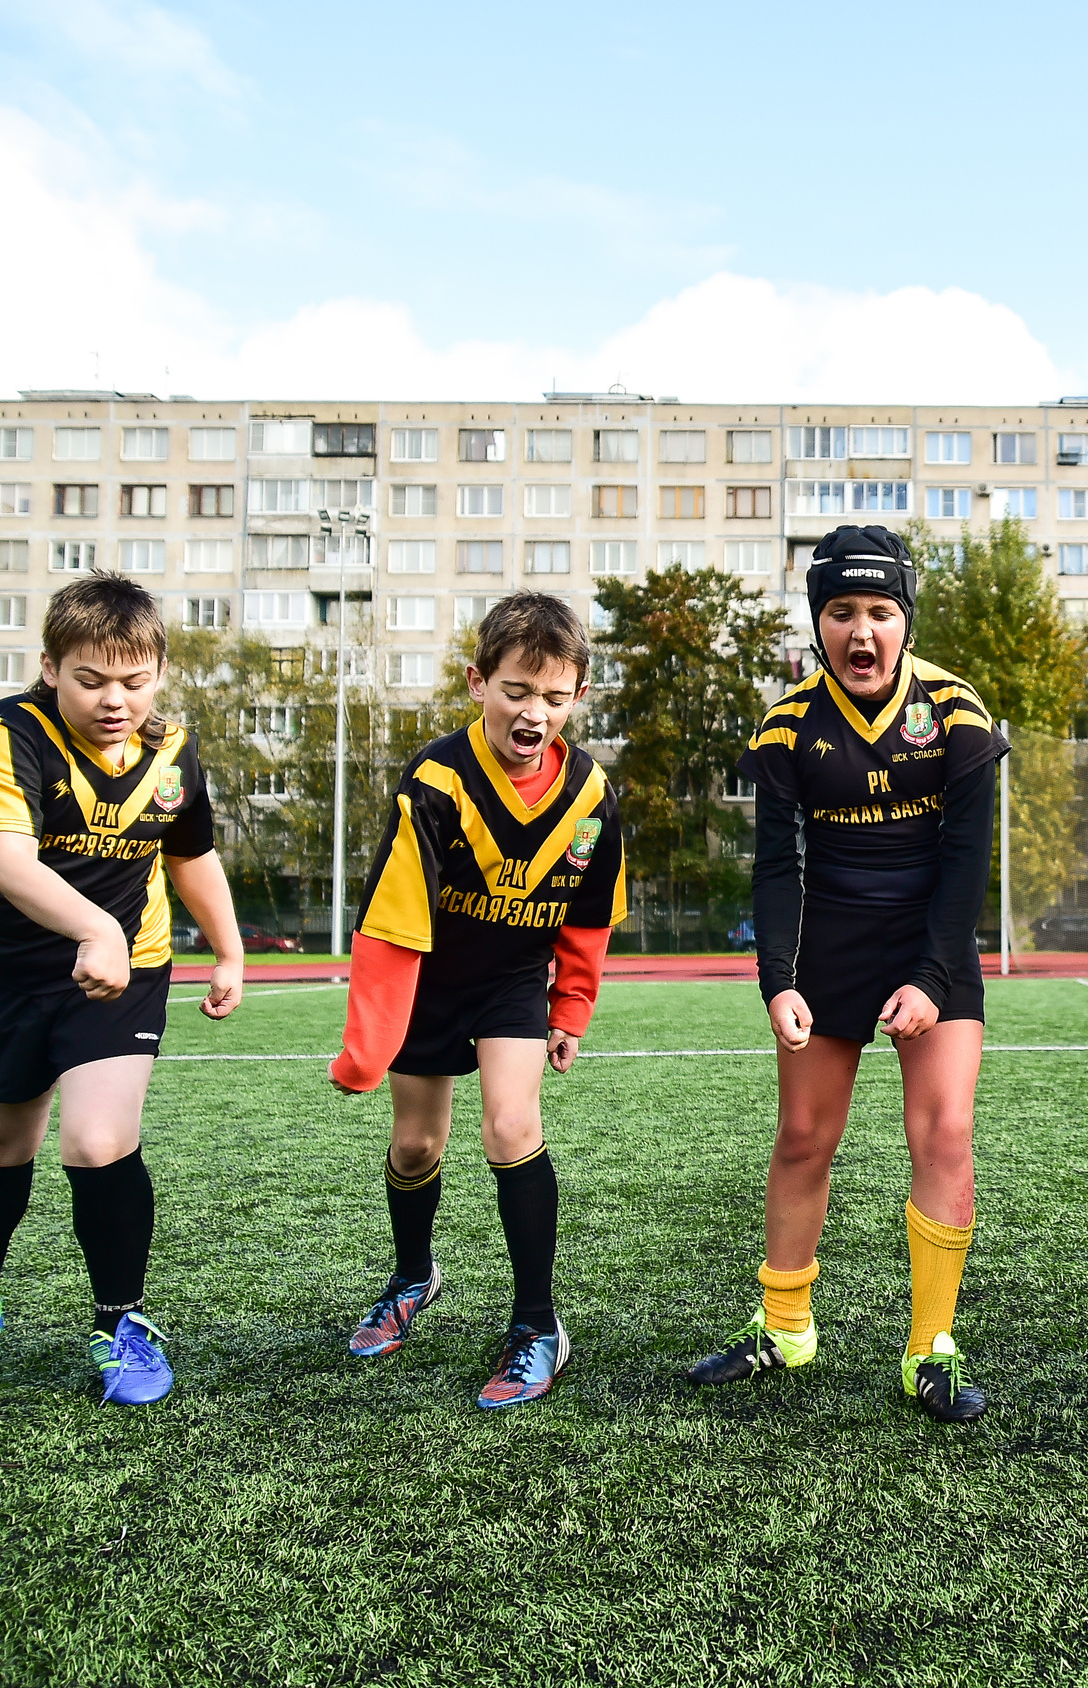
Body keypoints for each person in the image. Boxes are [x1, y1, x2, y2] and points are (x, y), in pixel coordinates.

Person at [0, 574, 244, 1404]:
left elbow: (192, 853)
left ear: (159, 671)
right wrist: (89, 927)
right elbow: (7, 860)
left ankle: (122, 1323)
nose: (114, 700)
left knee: (97, 1143)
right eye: (91, 679)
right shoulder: (11, 730)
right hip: (13, 975)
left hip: (123, 974)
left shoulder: (173, 751)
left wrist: (229, 950)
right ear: (50, 669)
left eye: (134, 682)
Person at [684, 525, 1009, 1423]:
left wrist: (935, 978)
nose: (861, 633)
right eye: (840, 613)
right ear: (817, 621)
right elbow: (776, 866)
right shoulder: (787, 725)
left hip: (929, 943)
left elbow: (964, 862)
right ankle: (784, 1324)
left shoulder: (959, 715)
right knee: (802, 1139)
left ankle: (930, 1349)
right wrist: (778, 981)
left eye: (878, 612)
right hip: (828, 945)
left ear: (905, 619)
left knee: (944, 1134)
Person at [328, 593, 625, 1410]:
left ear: (579, 698)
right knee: (418, 1145)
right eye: (517, 691)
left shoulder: (594, 797)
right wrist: (370, 1040)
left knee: (511, 1126)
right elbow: (390, 918)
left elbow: (589, 919)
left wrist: (570, 1011)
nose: (535, 713)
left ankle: (538, 1325)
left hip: (511, 984)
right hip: (431, 980)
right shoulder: (434, 780)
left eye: (554, 697)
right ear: (477, 682)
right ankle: (412, 1278)